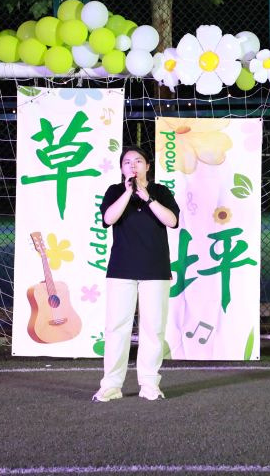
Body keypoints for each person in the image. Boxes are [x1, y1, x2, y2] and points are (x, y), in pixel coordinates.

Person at [92, 145, 180, 402]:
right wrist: (128, 192)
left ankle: (150, 384)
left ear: (148, 166)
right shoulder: (115, 191)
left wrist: (148, 198)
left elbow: (172, 221)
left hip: (155, 269)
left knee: (153, 328)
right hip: (122, 269)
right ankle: (111, 385)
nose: (133, 165)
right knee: (116, 328)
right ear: (121, 168)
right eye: (127, 162)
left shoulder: (160, 191)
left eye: (138, 161)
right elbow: (108, 218)